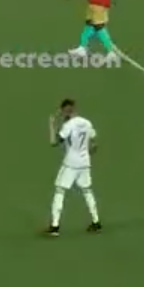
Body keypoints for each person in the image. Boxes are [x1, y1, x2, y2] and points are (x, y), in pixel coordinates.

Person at [46, 98, 100, 236]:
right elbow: (94, 145)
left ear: (65, 110)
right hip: (84, 163)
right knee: (87, 190)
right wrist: (86, 152)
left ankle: (54, 226)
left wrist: (52, 125)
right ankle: (96, 222)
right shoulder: (87, 123)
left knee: (60, 190)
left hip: (70, 163)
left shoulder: (68, 125)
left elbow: (53, 142)